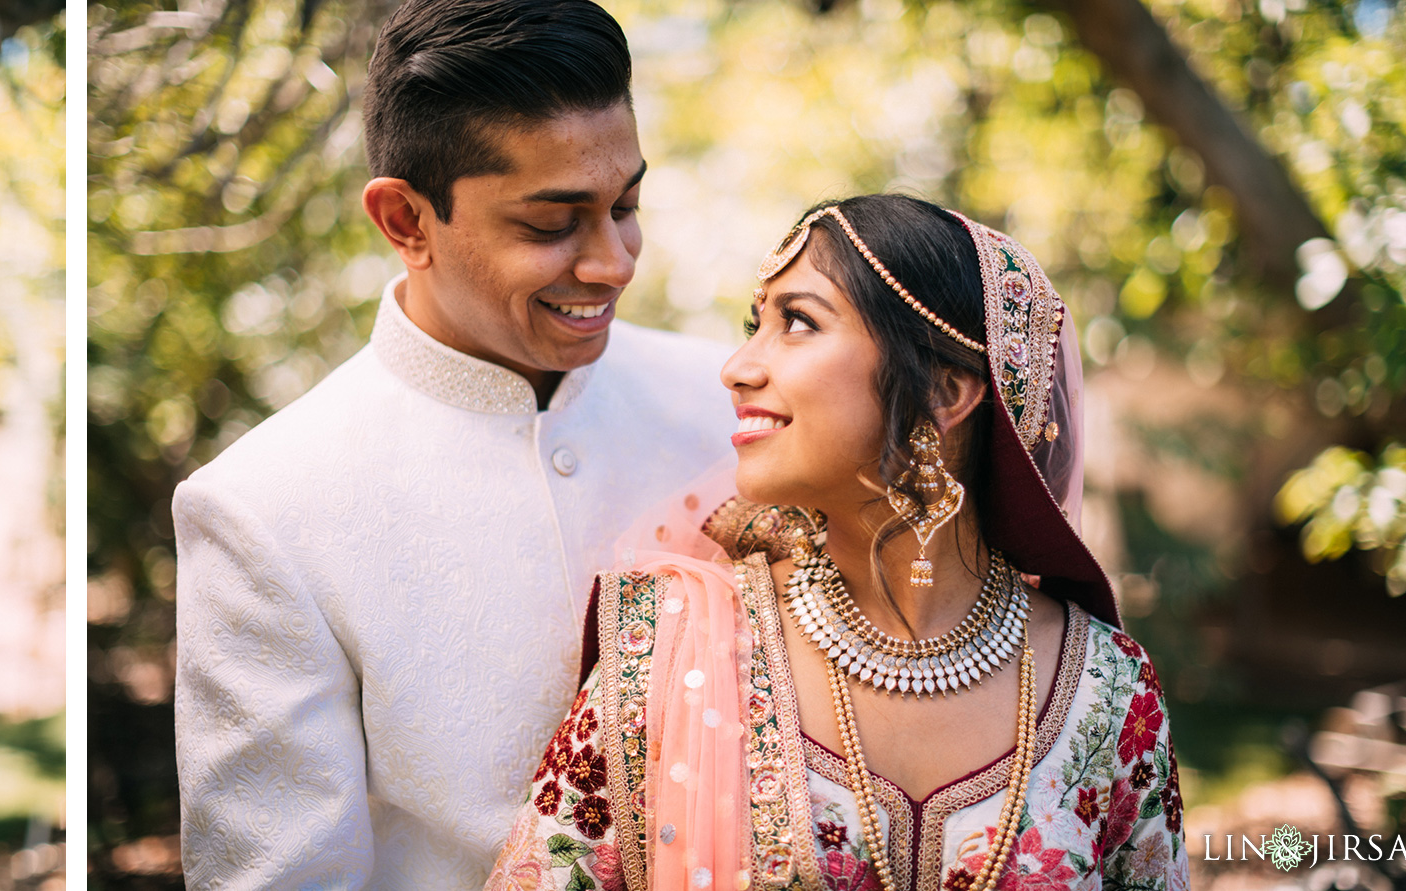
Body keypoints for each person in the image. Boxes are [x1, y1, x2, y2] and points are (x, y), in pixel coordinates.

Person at [170, 0, 735, 885]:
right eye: (552, 224)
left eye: (625, 204)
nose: (616, 260)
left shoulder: (729, 403)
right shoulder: (264, 505)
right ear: (405, 220)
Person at [487, 195, 1189, 891]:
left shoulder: (1106, 689)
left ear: (944, 391)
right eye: (752, 324)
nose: (737, 367)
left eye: (797, 321)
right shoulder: (667, 651)